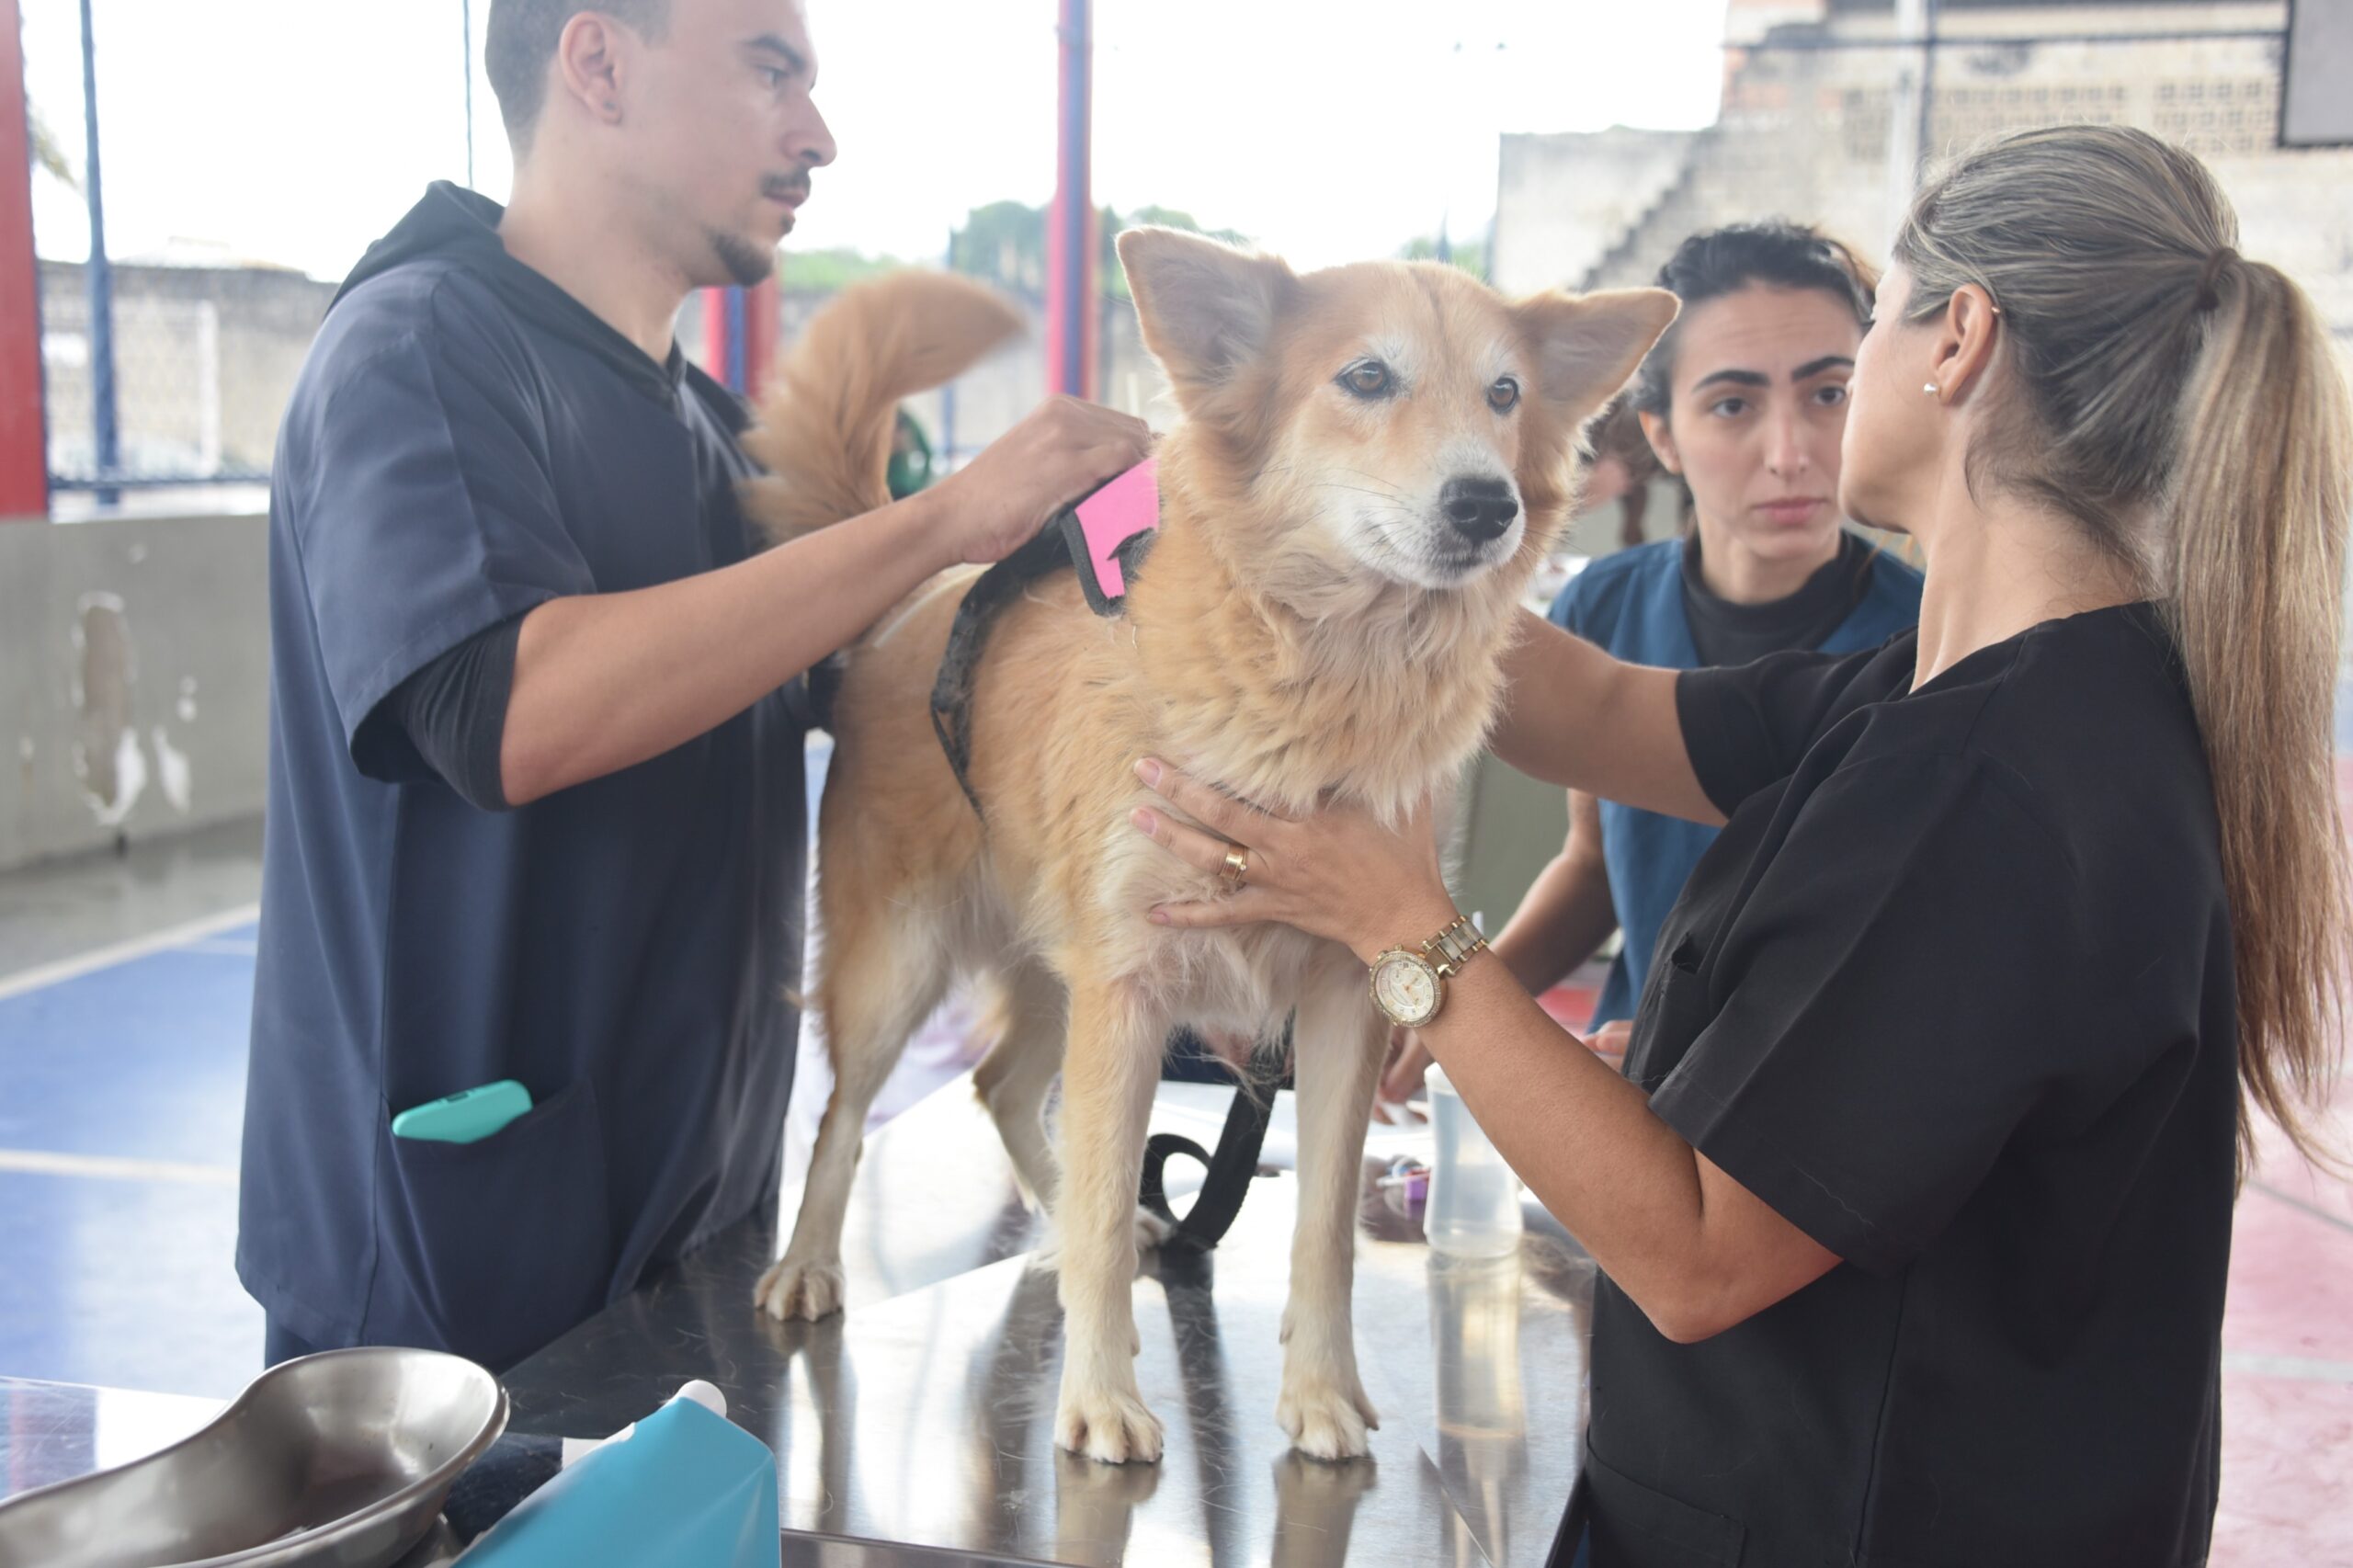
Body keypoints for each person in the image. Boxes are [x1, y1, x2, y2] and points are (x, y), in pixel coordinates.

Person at [1130, 124, 2349, 1564]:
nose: (1813, 419)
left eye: (1873, 327)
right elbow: (1598, 711)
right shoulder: (1973, 696)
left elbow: (1695, 1253)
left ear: (1958, 341)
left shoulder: (1994, 788)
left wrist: (1404, 928)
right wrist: (1270, 504)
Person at [236, 0, 1150, 1371]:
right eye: (771, 70)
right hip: (444, 1284)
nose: (817, 134)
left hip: (700, 1231)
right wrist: (930, 521)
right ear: (597, 62)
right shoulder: (419, 353)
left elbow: (889, 693)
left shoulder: (716, 433)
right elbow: (512, 712)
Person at [1381, 223, 1923, 1109]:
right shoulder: (1603, 611)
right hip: (1624, 1086)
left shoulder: (1930, 646)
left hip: (1831, 1124)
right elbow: (1596, 869)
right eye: (1734, 406)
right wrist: (1447, 1010)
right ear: (1661, 437)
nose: (1790, 452)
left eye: (1830, 394)